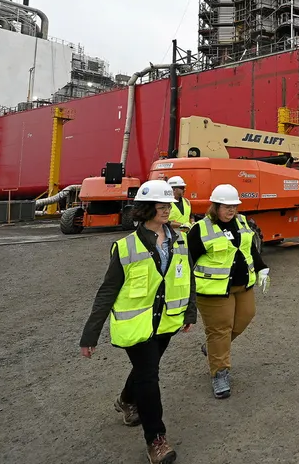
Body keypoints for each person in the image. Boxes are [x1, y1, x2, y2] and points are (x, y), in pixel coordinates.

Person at [79, 179, 195, 464]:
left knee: (147, 369)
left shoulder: (179, 240)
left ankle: (126, 401)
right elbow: (108, 290)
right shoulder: (125, 247)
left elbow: (187, 276)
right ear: (145, 208)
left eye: (168, 204)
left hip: (166, 322)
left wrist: (190, 312)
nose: (166, 209)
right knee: (149, 376)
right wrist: (90, 334)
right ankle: (156, 440)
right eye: (160, 205)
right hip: (137, 323)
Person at [187, 183, 269, 399]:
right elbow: (188, 261)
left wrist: (261, 268)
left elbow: (249, 248)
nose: (231, 210)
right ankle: (219, 373)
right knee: (220, 329)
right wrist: (187, 292)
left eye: (234, 206)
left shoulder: (241, 222)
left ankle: (213, 348)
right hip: (214, 291)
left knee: (246, 316)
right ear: (215, 206)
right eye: (226, 206)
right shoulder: (200, 229)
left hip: (243, 286)